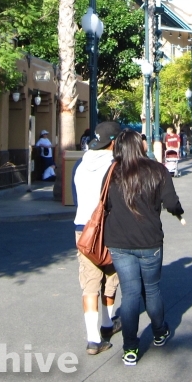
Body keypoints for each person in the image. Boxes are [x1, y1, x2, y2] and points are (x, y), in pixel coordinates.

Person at [104, 129, 185, 366]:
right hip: (149, 239)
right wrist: (178, 212)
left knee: (129, 293)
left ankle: (130, 348)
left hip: (119, 240)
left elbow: (105, 203)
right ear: (139, 146)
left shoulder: (112, 172)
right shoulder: (157, 170)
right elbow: (171, 202)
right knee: (151, 289)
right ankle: (159, 331)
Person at [73, 121, 122, 355]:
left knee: (90, 282)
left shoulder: (80, 164)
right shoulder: (116, 166)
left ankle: (93, 339)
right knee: (110, 276)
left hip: (84, 228)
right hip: (110, 227)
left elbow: (76, 197)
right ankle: (107, 323)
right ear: (113, 142)